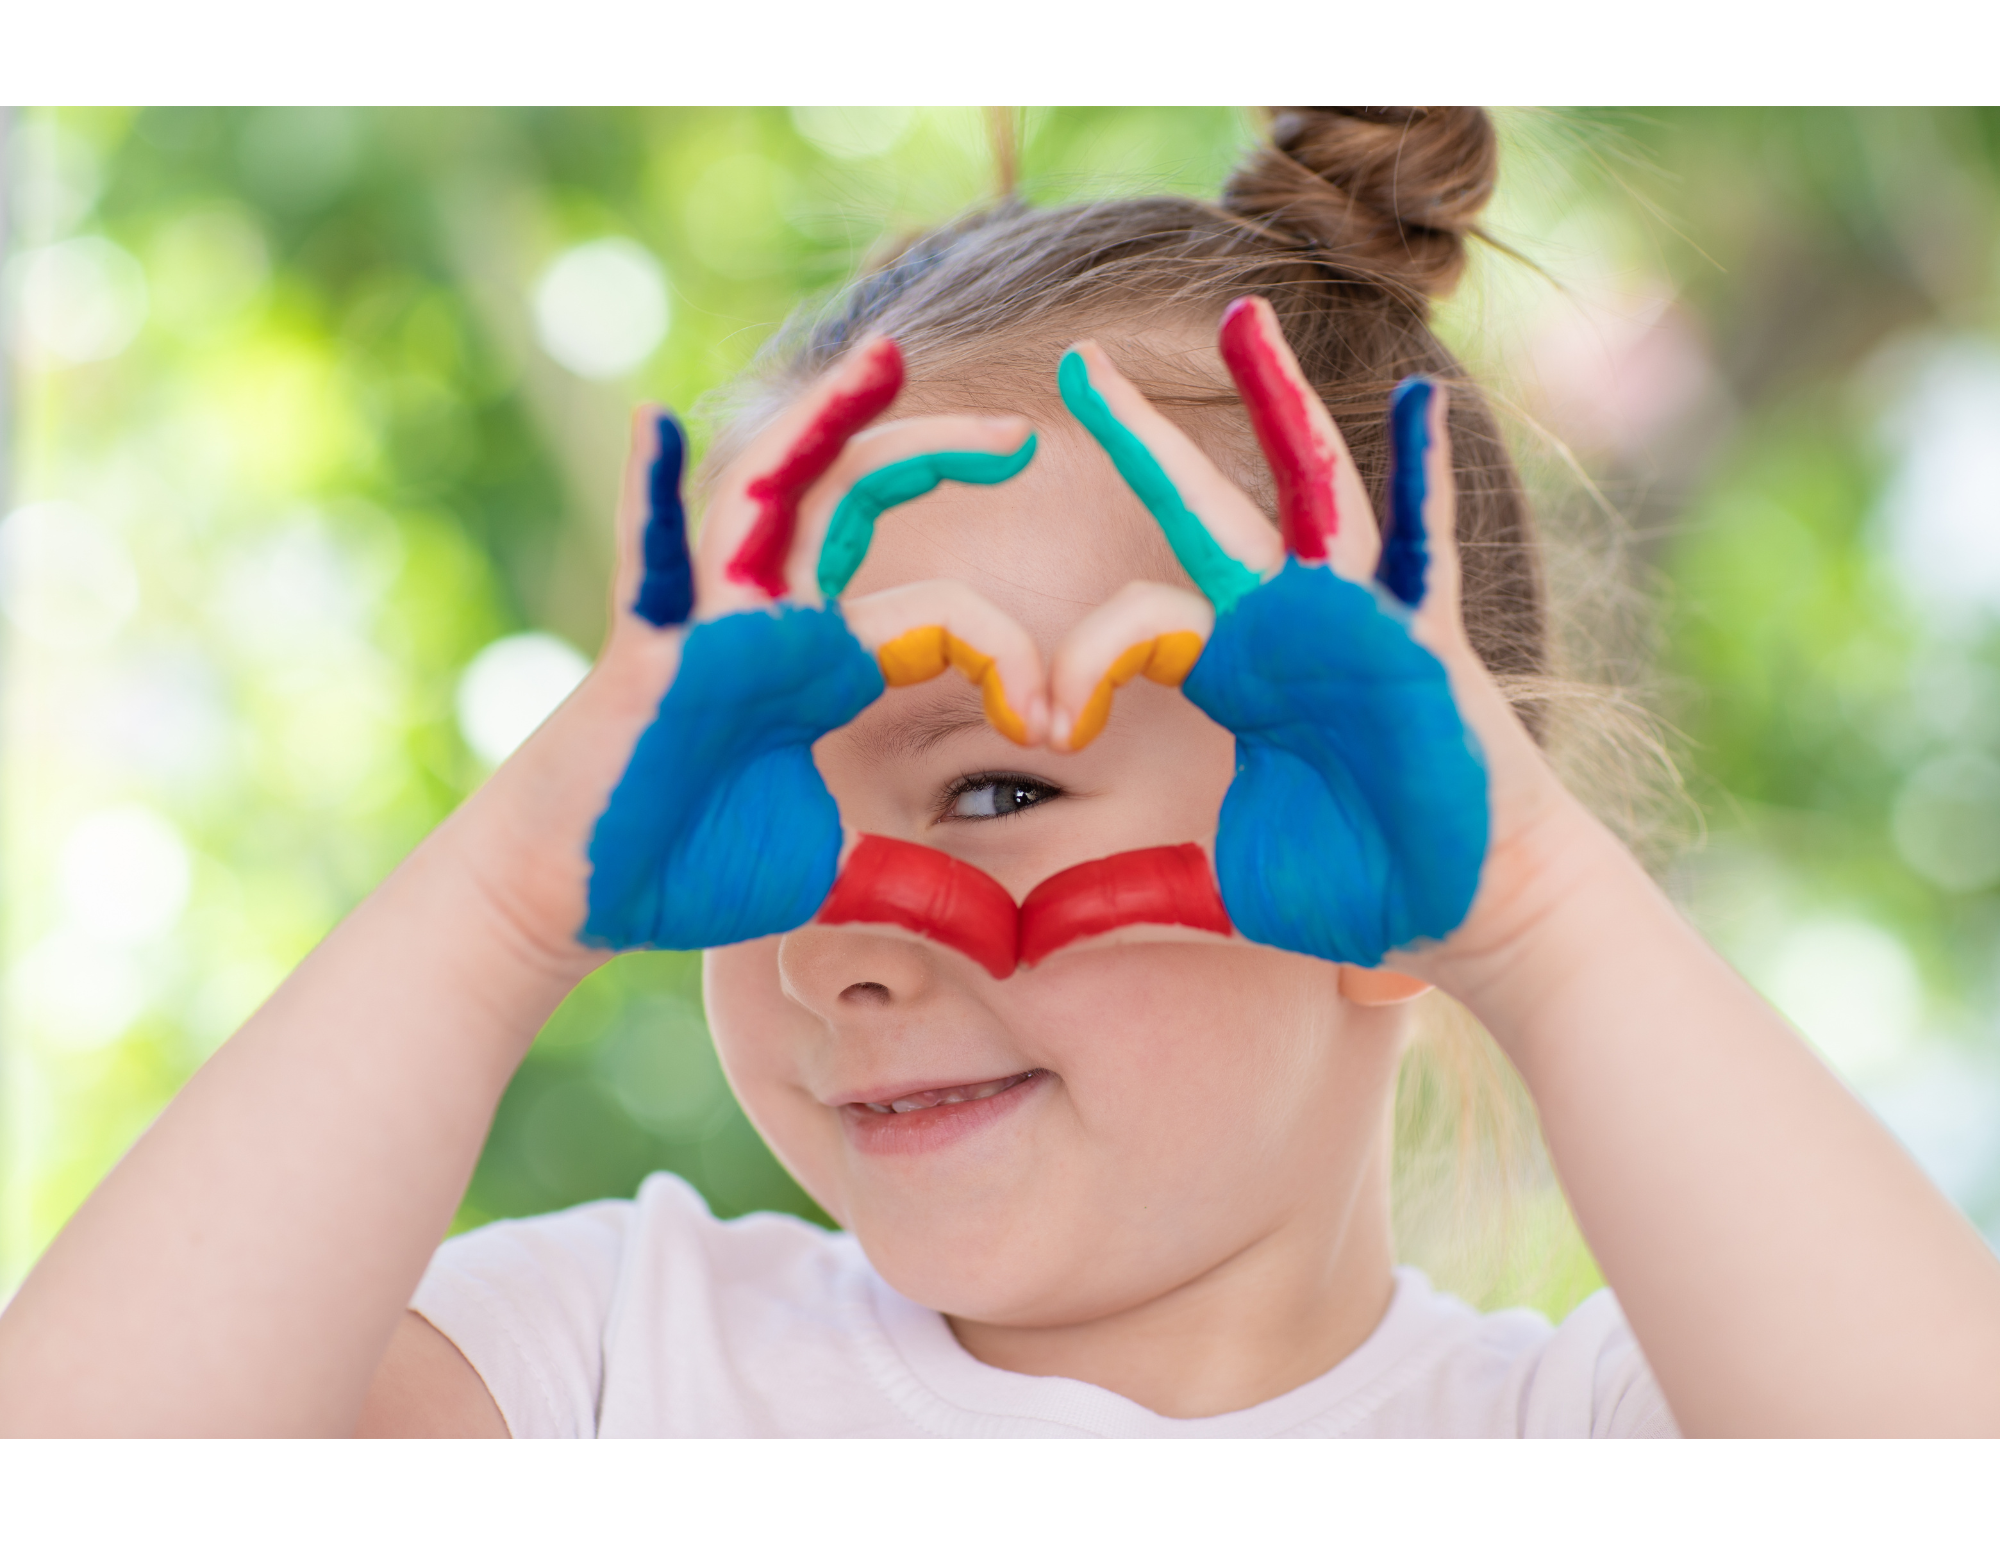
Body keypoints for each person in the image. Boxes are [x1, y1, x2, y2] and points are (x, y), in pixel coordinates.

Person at [4, 106, 1997, 1439]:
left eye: (986, 792)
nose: (837, 946)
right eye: (767, 814)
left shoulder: (1583, 1410)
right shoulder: (611, 1349)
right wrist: (506, 897)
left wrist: (1540, 921)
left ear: (1390, 866)